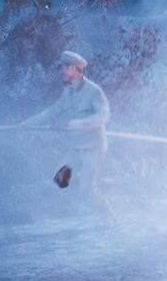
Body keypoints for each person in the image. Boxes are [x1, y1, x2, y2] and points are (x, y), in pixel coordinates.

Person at [21, 50, 111, 208]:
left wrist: (77, 124)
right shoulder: (68, 92)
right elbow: (53, 111)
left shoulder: (94, 91)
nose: (62, 70)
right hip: (76, 148)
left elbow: (103, 116)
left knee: (87, 190)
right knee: (60, 181)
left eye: (65, 66)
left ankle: (108, 218)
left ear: (75, 69)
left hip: (94, 149)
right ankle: (71, 215)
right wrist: (28, 123)